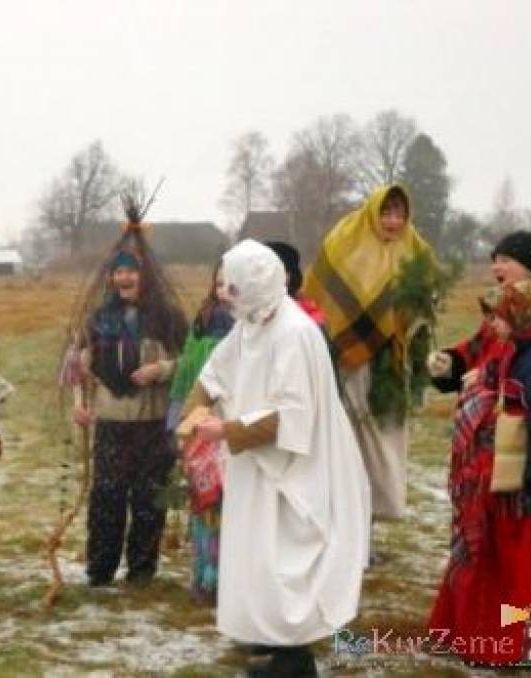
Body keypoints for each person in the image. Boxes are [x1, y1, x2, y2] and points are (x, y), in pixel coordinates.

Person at [183, 239, 370, 677]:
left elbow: (292, 418)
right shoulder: (251, 321)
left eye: (234, 290)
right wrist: (195, 413)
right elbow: (215, 372)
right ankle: (265, 638)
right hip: (254, 464)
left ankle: (292, 654)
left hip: (294, 469)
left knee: (287, 556)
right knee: (255, 555)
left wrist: (225, 430)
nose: (229, 301)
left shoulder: (295, 332)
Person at [427, 229, 531, 637]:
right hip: (505, 448)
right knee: (526, 545)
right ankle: (529, 625)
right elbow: (486, 346)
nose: (496, 266)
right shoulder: (514, 305)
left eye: (505, 259)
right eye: (494, 257)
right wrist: (454, 362)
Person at [70, 187, 188, 587]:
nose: (125, 277)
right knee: (106, 498)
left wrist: (162, 370)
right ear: (111, 278)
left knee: (148, 501)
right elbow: (78, 367)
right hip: (112, 426)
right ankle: (100, 569)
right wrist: (79, 402)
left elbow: (193, 365)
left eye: (132, 270)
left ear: (145, 276)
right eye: (119, 271)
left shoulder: (167, 318)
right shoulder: (99, 320)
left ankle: (141, 570)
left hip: (153, 426)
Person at [302, 184, 436, 522]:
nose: (393, 221)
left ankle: (376, 512)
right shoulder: (345, 239)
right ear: (373, 212)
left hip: (389, 363)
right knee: (347, 436)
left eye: (399, 214)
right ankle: (346, 517)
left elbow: (425, 301)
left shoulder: (415, 249)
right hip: (347, 363)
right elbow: (323, 296)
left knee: (384, 437)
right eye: (386, 213)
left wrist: (415, 320)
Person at [167, 262, 234, 603]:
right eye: (219, 284)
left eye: (231, 284)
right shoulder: (206, 319)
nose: (224, 292)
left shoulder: (250, 327)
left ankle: (228, 577)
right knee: (206, 501)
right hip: (203, 420)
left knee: (228, 503)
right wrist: (180, 414)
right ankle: (207, 574)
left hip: (234, 425)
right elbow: (190, 368)